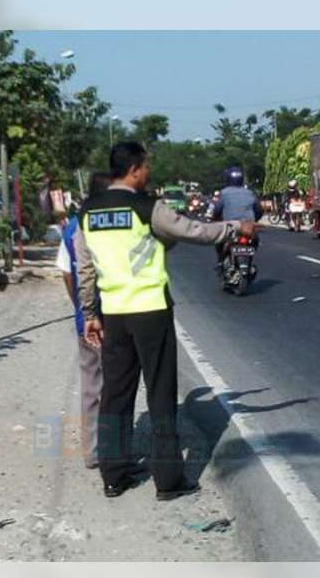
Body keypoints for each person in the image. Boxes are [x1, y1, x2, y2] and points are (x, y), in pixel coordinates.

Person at [74, 142, 258, 501]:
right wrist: (237, 227)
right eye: (146, 167)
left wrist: (90, 313)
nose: (148, 173)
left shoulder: (88, 211)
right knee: (160, 394)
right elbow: (194, 231)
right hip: (150, 310)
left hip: (113, 312)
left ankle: (114, 476)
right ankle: (168, 480)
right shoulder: (146, 207)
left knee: (115, 395)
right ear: (133, 170)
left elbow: (84, 269)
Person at [56, 172, 112, 469]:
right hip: (114, 317)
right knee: (116, 385)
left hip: (85, 320)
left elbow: (66, 272)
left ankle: (92, 452)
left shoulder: (73, 227)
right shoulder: (113, 225)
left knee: (92, 385)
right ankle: (113, 452)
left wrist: (79, 305)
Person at [212, 166, 263, 265]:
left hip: (230, 226)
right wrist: (254, 221)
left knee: (219, 240)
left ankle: (220, 261)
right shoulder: (250, 193)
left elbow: (217, 209)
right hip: (247, 226)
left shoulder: (224, 193)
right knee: (255, 239)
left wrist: (215, 219)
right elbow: (259, 210)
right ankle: (249, 261)